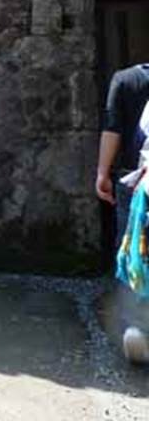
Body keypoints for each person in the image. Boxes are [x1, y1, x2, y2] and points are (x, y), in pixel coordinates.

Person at [95, 62, 149, 364]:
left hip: (135, 180)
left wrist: (103, 173)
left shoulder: (125, 80)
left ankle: (137, 327)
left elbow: (112, 128)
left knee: (133, 253)